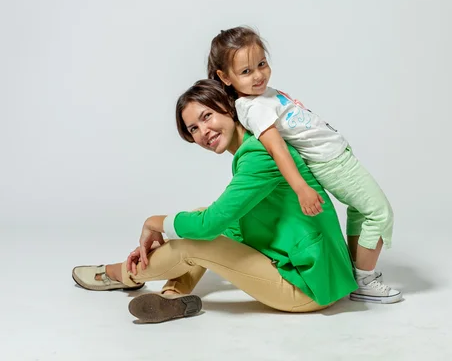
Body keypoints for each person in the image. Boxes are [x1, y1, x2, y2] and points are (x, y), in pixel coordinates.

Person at [72, 79, 358, 323]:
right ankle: (175, 295)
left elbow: (210, 226)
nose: (202, 132)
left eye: (206, 116)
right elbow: (234, 224)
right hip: (312, 270)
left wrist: (155, 222)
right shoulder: (255, 149)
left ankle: (120, 274)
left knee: (195, 237)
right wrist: (175, 235)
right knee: (197, 222)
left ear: (228, 108)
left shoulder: (259, 156)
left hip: (309, 286)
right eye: (193, 128)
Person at [205, 26, 402, 303]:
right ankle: (365, 281)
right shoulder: (254, 107)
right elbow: (277, 149)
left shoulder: (262, 97)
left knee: (360, 211)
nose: (259, 75)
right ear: (224, 77)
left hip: (336, 156)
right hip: (331, 163)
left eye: (261, 64)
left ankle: (358, 273)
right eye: (246, 72)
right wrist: (301, 188)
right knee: (379, 214)